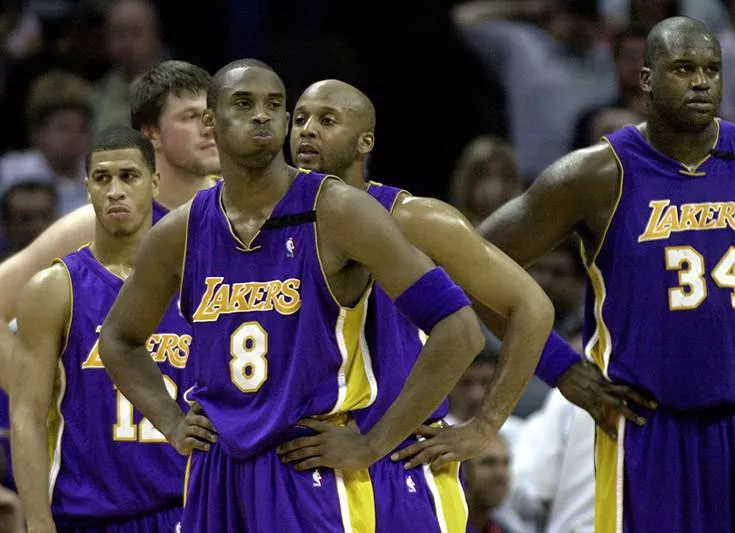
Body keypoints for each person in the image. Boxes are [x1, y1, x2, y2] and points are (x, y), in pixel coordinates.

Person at [97, 59, 486, 532]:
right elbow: (118, 337)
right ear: (210, 122)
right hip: (215, 466)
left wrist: (374, 443)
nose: (262, 115)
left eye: (274, 105)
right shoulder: (181, 230)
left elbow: (460, 329)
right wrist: (172, 422)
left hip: (307, 462)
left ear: (283, 123)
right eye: (244, 104)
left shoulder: (339, 210)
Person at [479, 16, 735, 533]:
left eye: (712, 70)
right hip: (652, 428)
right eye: (684, 68)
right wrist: (559, 367)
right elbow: (473, 264)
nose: (701, 81)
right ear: (645, 79)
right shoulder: (595, 175)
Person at [287, 79, 653, 460]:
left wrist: (486, 425)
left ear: (365, 142)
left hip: (394, 458)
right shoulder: (272, 226)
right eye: (299, 119)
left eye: (327, 120)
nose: (308, 129)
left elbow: (531, 306)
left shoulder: (413, 217)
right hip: (312, 450)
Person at [9, 126, 201, 532]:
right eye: (102, 178)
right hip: (92, 515)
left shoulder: (201, 280)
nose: (115, 190)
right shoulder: (56, 288)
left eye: (128, 176)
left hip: (190, 507)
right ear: (87, 188)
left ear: (155, 182)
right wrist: (38, 522)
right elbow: (26, 414)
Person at [0, 60, 218, 392]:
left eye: (210, 116)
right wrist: (34, 395)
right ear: (151, 134)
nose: (208, 128)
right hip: (114, 435)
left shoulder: (243, 214)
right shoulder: (94, 224)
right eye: (190, 117)